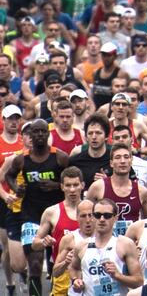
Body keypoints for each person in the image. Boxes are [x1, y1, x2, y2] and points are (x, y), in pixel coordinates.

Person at [4, 118, 69, 296]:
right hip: (30, 215)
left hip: (56, 215)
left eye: (43, 131)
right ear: (30, 136)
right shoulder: (21, 160)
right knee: (34, 262)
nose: (40, 135)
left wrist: (56, 185)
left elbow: (74, 181)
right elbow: (9, 176)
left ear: (48, 134)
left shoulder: (60, 157)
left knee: (58, 262)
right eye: (36, 132)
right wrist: (17, 188)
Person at [69, 198, 144, 295]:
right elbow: (74, 268)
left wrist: (118, 275)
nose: (102, 219)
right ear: (93, 217)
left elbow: (139, 282)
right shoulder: (81, 246)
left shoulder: (125, 244)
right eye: (97, 215)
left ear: (116, 218)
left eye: (107, 216)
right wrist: (75, 280)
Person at [30, 167, 84, 296]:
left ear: (82, 185)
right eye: (68, 185)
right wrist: (44, 241)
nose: (72, 189)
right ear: (62, 187)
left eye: (75, 185)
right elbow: (34, 244)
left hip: (85, 269)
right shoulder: (52, 212)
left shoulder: (91, 211)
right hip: (62, 271)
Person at [86, 143, 147, 236]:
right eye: (118, 157)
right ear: (111, 163)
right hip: (105, 243)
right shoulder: (97, 187)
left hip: (131, 243)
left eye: (126, 157)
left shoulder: (142, 191)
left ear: (131, 161)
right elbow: (87, 218)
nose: (122, 161)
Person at [51, 200, 96, 296]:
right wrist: (66, 262)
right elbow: (55, 272)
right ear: (77, 218)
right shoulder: (69, 239)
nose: (88, 220)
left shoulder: (106, 237)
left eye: (91, 215)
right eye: (83, 216)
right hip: (78, 292)